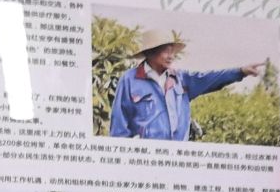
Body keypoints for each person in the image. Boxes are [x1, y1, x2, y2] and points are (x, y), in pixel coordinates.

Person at [109, 27, 264, 141]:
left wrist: (240, 71)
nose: (171, 56)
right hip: (147, 159)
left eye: (172, 51)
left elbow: (211, 78)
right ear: (150, 52)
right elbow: (119, 127)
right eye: (166, 51)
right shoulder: (129, 80)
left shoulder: (181, 79)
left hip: (178, 158)